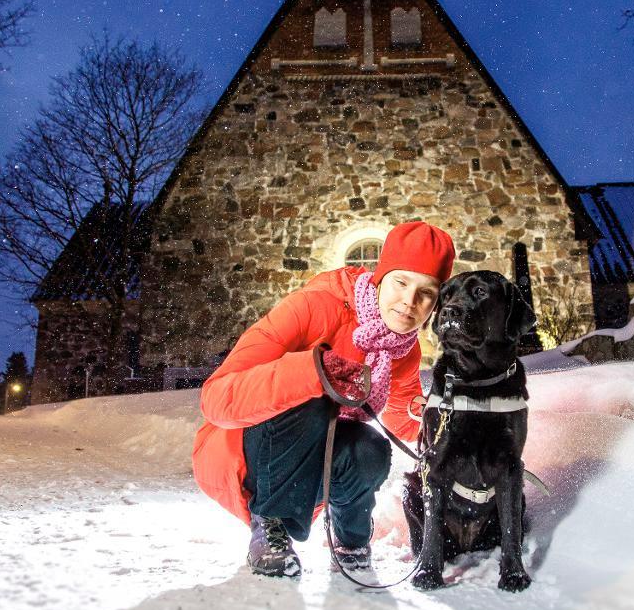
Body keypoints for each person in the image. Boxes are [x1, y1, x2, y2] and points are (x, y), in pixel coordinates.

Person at [195, 221, 456, 577]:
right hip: (246, 457)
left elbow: (403, 419)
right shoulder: (313, 307)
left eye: (426, 293)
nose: (410, 302)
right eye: (401, 282)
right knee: (314, 400)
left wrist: (450, 426)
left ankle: (351, 541)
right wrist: (312, 373)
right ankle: (271, 530)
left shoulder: (401, 349)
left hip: (312, 462)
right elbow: (216, 398)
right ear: (381, 277)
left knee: (371, 447)